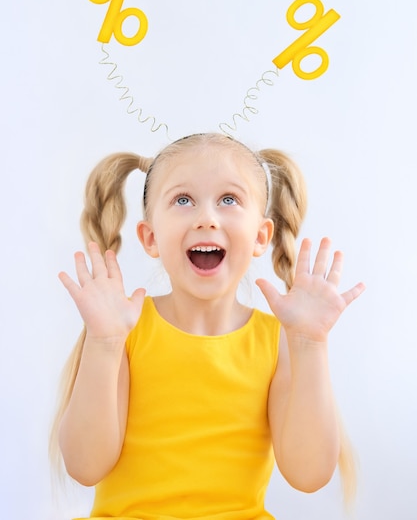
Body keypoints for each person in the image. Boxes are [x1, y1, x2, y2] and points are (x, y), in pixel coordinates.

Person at [52, 132, 365, 520]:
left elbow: (309, 474)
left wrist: (310, 344)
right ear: (150, 237)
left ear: (260, 236)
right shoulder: (121, 330)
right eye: (183, 200)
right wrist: (102, 342)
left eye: (228, 200)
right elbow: (84, 466)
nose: (206, 219)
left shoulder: (279, 340)